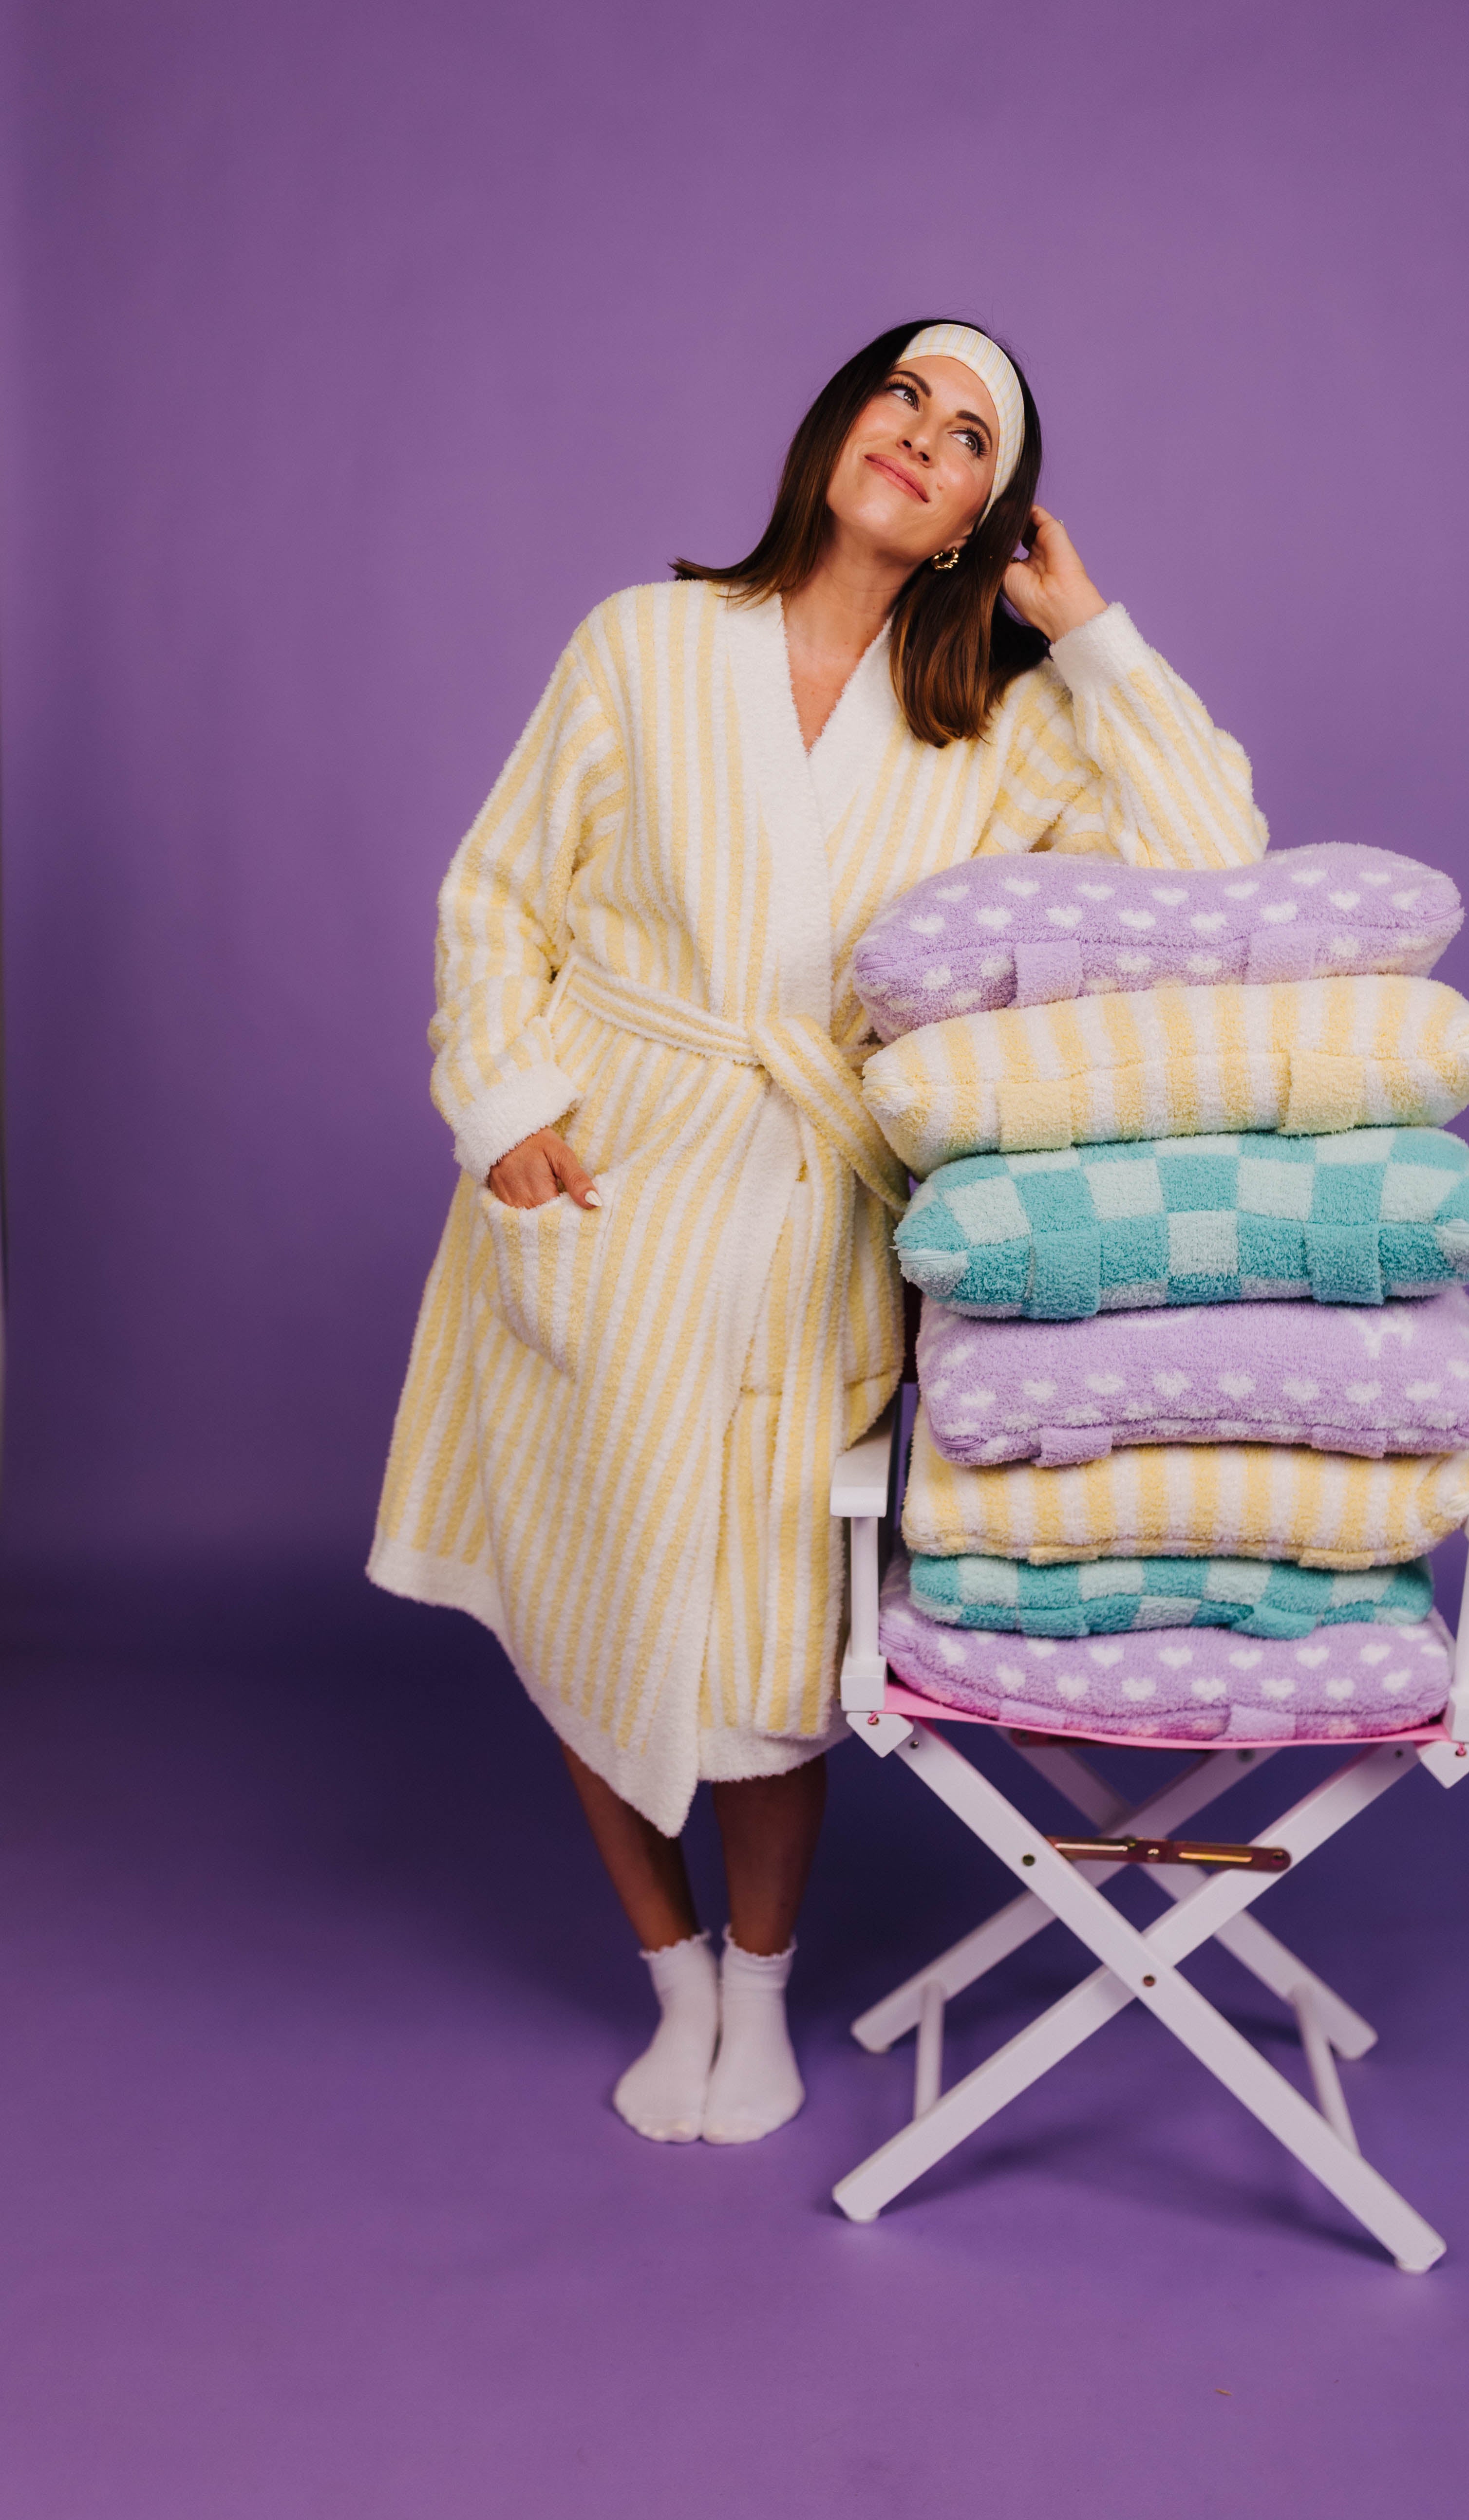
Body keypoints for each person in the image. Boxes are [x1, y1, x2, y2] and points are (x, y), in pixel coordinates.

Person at [371, 321, 1266, 2147]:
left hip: (809, 1220)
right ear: (838, 424)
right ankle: (671, 1974)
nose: (925, 442)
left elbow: (1214, 866)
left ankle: (762, 1988)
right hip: (607, 1188)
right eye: (904, 399)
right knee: (585, 1583)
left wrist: (1086, 630)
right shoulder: (643, 642)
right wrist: (507, 1118)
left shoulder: (993, 733)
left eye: (970, 442)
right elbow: (496, 894)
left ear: (975, 527)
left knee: (779, 1657)